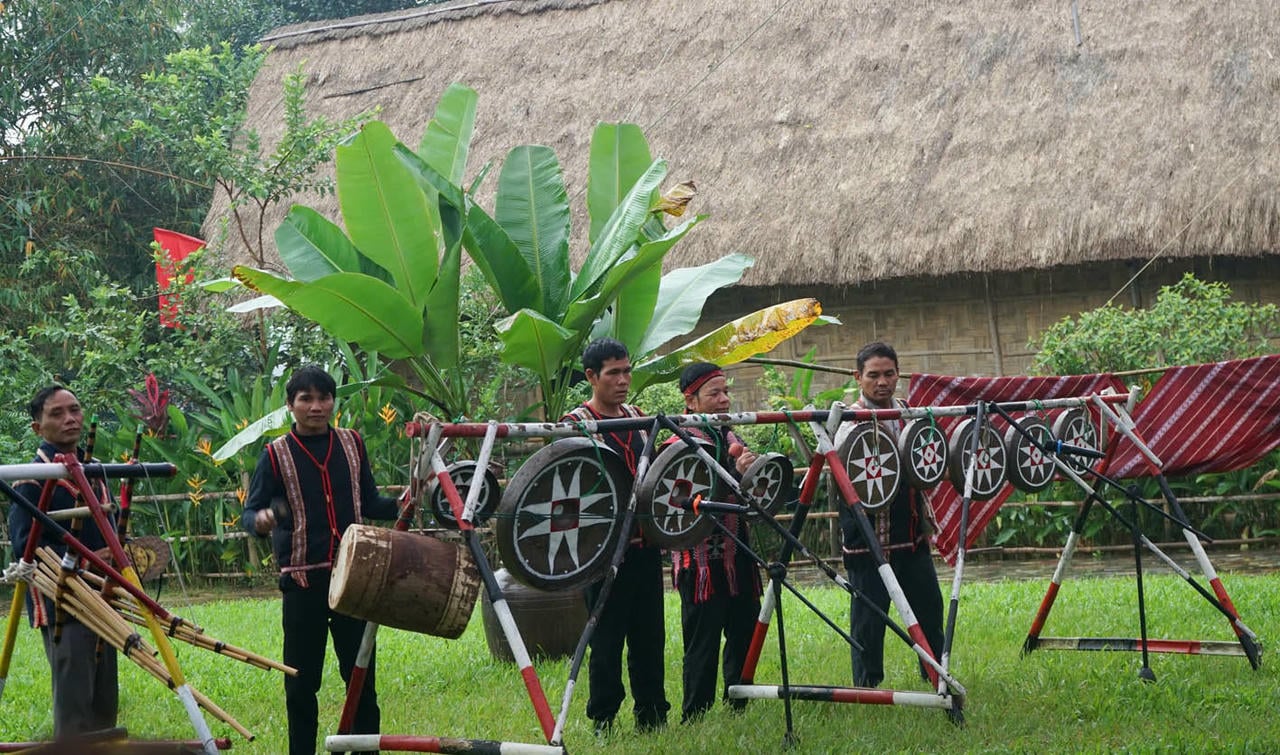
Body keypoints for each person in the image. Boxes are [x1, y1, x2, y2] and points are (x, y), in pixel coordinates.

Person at [240, 365, 400, 755]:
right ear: (291, 405)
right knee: (301, 681)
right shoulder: (274, 455)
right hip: (303, 586)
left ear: (333, 401)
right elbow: (252, 513)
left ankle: (364, 751)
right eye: (306, 399)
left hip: (354, 579)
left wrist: (405, 501)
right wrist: (260, 520)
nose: (316, 406)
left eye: (323, 398)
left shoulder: (352, 444)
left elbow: (370, 501)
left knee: (361, 678)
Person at [561, 338, 670, 735]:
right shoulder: (575, 424)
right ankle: (603, 718)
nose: (623, 380)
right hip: (602, 552)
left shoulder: (639, 416)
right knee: (605, 640)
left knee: (649, 637)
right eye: (614, 373)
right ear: (592, 376)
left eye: (627, 371)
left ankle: (652, 715)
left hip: (645, 547)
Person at [8, 385, 119, 738]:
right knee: (75, 708)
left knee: (105, 706)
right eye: (57, 413)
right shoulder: (29, 478)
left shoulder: (95, 470)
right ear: (37, 428)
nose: (70, 419)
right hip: (64, 604)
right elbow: (26, 546)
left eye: (75, 409)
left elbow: (111, 532)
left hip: (104, 600)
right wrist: (87, 564)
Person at [837, 341, 945, 688]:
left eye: (888, 374)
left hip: (910, 536)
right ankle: (866, 688)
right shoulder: (846, 421)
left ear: (898, 374)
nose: (882, 382)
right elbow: (844, 477)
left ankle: (934, 675)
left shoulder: (911, 414)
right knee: (869, 620)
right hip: (868, 542)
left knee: (929, 611)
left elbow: (929, 462)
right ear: (858, 377)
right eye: (873, 375)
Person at [671, 362, 763, 723]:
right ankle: (696, 713)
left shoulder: (729, 434)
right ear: (690, 401)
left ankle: (738, 702)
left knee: (743, 631)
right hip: (700, 560)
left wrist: (751, 470)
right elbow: (681, 491)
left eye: (726, 391)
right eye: (714, 393)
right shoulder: (677, 439)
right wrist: (735, 469)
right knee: (702, 640)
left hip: (737, 551)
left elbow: (750, 484)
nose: (724, 399)